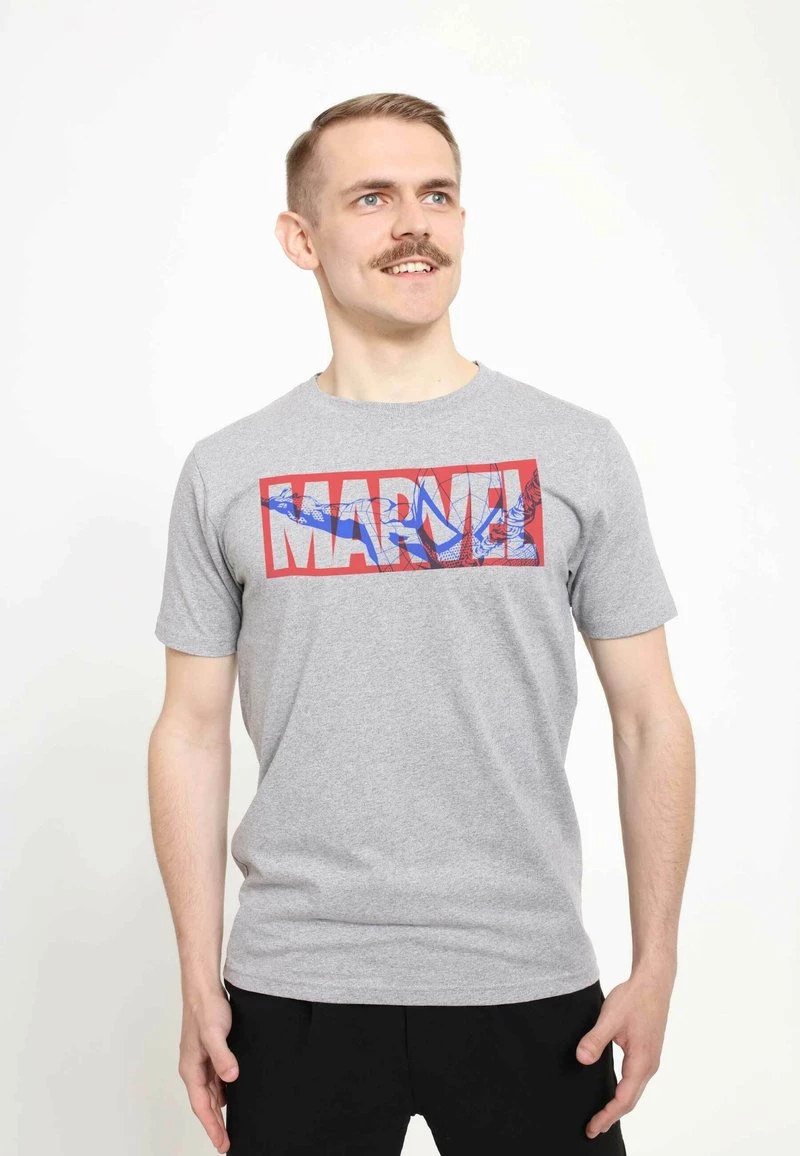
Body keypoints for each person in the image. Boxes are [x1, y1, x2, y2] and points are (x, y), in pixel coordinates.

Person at [149, 91, 695, 1155]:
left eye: (436, 195)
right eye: (372, 198)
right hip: (295, 983)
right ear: (301, 239)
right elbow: (190, 731)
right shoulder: (230, 471)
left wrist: (658, 960)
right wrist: (194, 974)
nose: (414, 224)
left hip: (526, 975)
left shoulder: (572, 451)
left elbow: (648, 719)